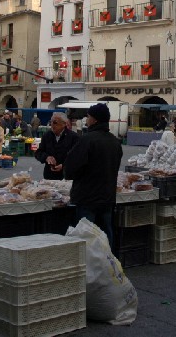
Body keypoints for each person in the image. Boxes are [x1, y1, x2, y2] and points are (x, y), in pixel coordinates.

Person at [64, 103, 122, 246]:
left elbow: (71, 167)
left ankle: (90, 265)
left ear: (94, 120)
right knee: (106, 235)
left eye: (88, 116)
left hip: (87, 197)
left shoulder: (87, 139)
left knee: (86, 236)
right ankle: (109, 264)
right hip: (107, 196)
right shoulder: (115, 141)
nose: (86, 119)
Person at [35, 112, 79, 180]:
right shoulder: (47, 135)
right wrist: (46, 157)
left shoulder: (73, 137)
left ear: (64, 124)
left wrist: (64, 166)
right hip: (49, 176)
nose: (52, 125)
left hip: (67, 177)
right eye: (51, 122)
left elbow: (77, 157)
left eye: (55, 122)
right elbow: (38, 152)